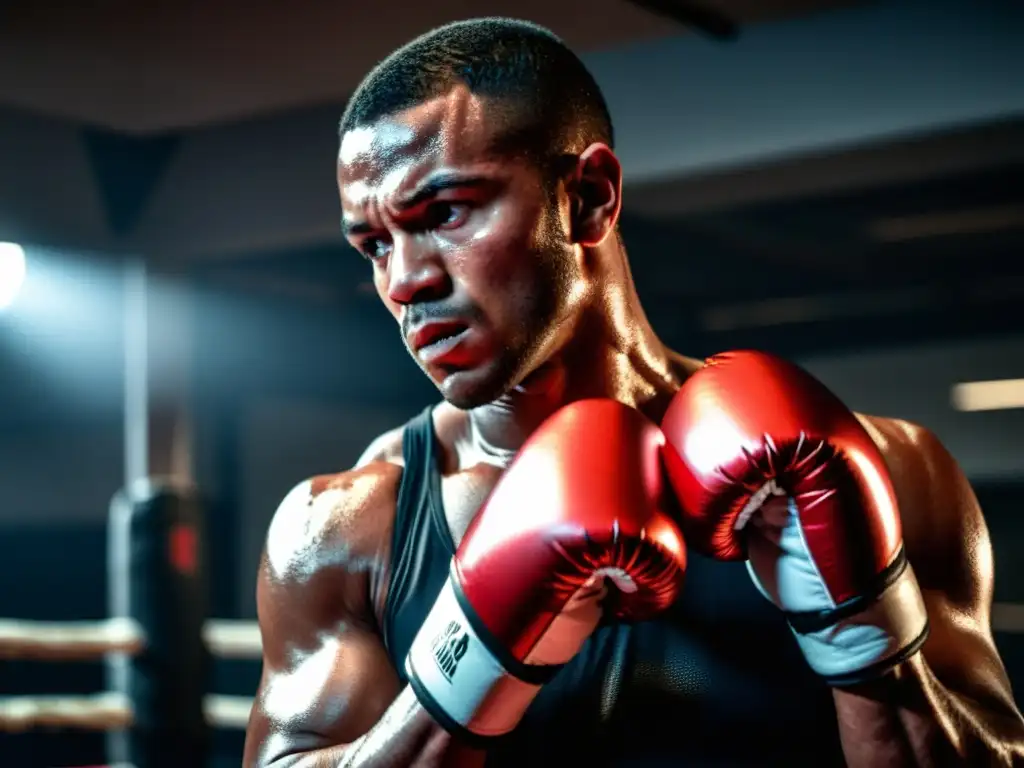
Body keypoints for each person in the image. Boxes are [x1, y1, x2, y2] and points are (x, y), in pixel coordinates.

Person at [243, 17, 1024, 767]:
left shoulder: (898, 473)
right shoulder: (346, 532)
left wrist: (863, 632)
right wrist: (467, 660)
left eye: (444, 213)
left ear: (589, 197)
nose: (405, 281)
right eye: (374, 244)